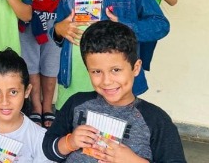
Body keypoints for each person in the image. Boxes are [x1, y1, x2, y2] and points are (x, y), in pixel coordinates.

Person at [42, 21, 185, 162]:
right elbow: (49, 148)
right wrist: (70, 142)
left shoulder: (156, 120)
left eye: (116, 70)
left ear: (136, 68)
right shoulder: (76, 103)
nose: (106, 81)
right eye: (97, 71)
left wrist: (134, 161)